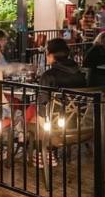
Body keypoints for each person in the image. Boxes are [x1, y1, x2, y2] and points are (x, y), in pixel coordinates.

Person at [36, 38, 87, 168]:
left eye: (46, 52)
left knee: (31, 116)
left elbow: (42, 105)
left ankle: (45, 151)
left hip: (57, 126)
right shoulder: (80, 74)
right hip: (79, 123)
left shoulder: (49, 75)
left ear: (51, 55)